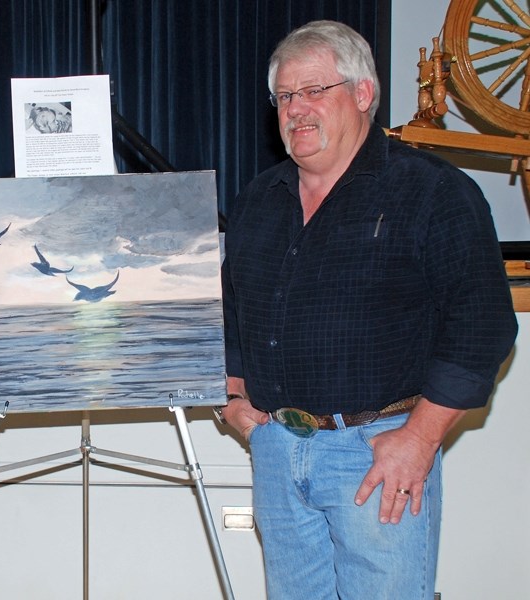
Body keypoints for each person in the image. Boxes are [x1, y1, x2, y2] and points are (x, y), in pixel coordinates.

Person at [220, 20, 518, 599]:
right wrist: (235, 401)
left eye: (314, 91)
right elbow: (235, 315)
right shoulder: (258, 201)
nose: (296, 109)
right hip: (279, 451)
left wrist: (419, 438)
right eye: (285, 96)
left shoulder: (434, 192)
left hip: (378, 456)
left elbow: (482, 328)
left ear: (362, 94)